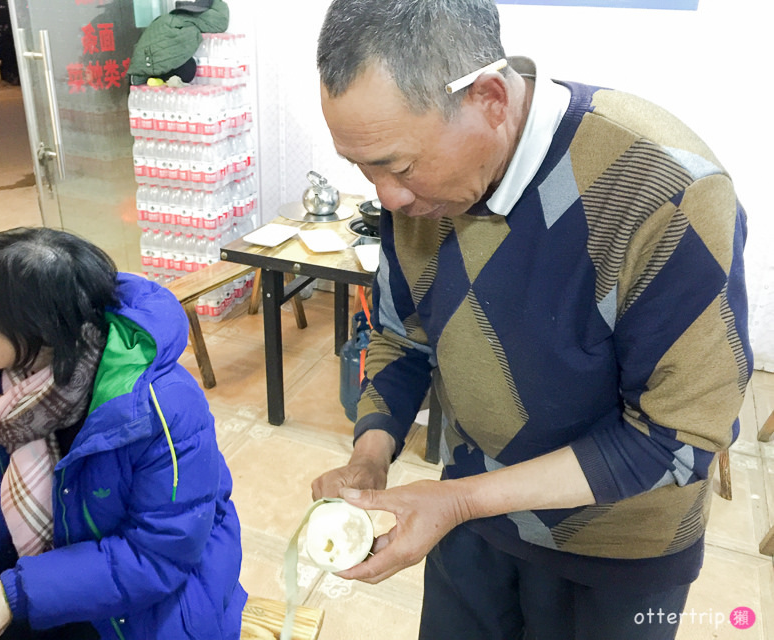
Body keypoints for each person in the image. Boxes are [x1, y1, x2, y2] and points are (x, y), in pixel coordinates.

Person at [310, 1, 752, 638]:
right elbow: (401, 336)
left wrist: (460, 499)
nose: (388, 197)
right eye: (362, 168)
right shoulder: (415, 196)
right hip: (471, 524)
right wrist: (371, 454)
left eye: (399, 166)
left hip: (617, 553)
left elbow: (678, 441)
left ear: (489, 96)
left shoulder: (666, 188)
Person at [0, 227, 246, 639]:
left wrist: (20, 592)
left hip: (152, 606)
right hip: (62, 579)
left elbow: (157, 556)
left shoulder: (161, 408)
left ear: (34, 327)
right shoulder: (13, 389)